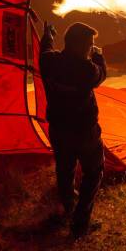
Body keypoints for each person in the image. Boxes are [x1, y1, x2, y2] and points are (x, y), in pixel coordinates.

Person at [39, 21, 107, 239]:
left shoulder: (48, 61)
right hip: (85, 132)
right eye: (89, 44)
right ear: (82, 45)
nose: (90, 48)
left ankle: (68, 205)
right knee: (93, 173)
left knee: (65, 169)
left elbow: (45, 49)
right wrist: (99, 57)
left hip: (59, 130)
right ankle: (80, 223)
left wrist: (47, 35)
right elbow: (101, 75)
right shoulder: (87, 70)